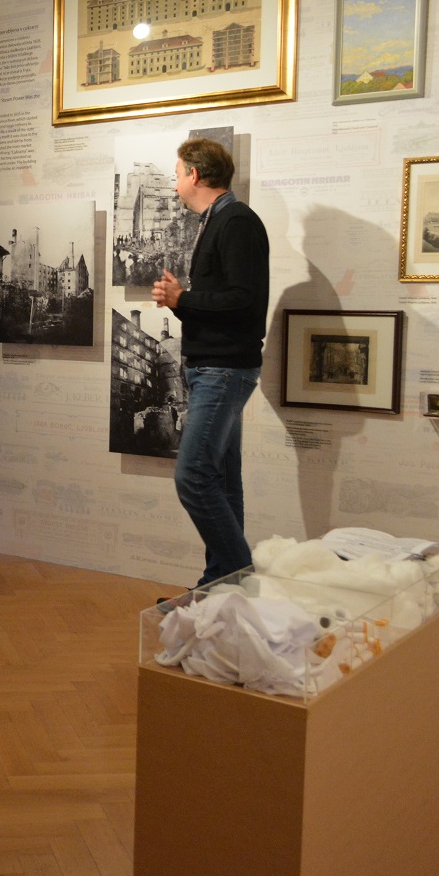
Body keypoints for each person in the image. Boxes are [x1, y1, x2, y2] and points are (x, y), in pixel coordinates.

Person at [151, 137, 270, 587]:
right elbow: (224, 304)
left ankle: (245, 584)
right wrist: (180, 301)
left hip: (223, 370)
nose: (175, 184)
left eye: (177, 174)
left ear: (195, 174)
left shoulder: (236, 221)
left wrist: (184, 298)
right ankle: (221, 587)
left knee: (194, 476)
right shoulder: (220, 220)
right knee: (219, 478)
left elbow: (244, 300)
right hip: (214, 368)